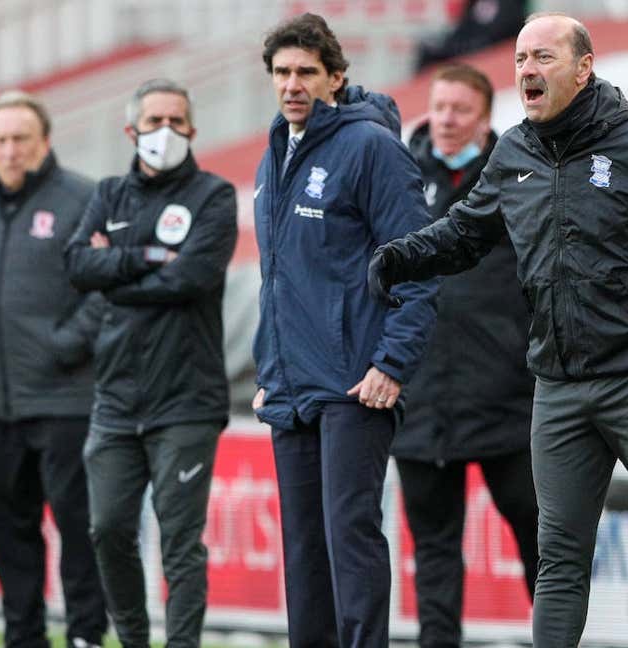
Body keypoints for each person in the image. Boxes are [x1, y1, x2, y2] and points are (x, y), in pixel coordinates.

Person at [368, 13, 628, 648]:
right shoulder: (513, 153)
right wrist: (402, 256)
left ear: (584, 68)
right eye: (522, 59)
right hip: (556, 384)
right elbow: (467, 232)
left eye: (544, 58)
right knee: (558, 557)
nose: (528, 69)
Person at [250, 14, 438, 648]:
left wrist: (391, 364)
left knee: (348, 538)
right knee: (304, 552)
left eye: (306, 71)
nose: (293, 84)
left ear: (335, 75)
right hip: (292, 383)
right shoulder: (275, 150)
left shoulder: (373, 148)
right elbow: (280, 276)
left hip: (357, 383)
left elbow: (419, 267)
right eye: (282, 72)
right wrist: (269, 366)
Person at [64, 78, 237, 648]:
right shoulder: (110, 192)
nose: (165, 131)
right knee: (107, 529)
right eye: (154, 120)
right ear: (130, 130)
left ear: (192, 127)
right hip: (115, 400)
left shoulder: (212, 195)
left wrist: (115, 271)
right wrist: (144, 259)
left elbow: (192, 277)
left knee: (180, 541)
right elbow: (75, 264)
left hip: (185, 400)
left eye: (176, 120)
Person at [0, 90, 107, 648]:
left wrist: (66, 344)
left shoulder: (82, 199)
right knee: (8, 537)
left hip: (66, 404)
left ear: (44, 141)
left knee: (80, 535)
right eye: (0, 140)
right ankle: (23, 639)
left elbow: (104, 290)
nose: (10, 151)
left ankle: (85, 636)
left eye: (20, 139)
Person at [393, 62, 539, 648]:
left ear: (485, 119)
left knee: (542, 543)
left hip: (509, 402)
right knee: (434, 554)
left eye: (461, 110)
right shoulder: (397, 180)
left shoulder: (519, 179)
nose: (447, 120)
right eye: (440, 107)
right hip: (421, 403)